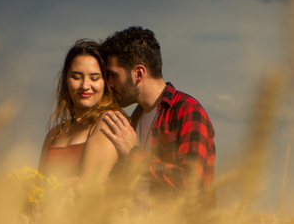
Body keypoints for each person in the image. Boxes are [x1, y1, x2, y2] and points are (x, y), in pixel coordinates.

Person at [99, 26, 216, 206]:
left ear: (138, 73)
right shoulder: (132, 121)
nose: (109, 83)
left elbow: (191, 181)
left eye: (113, 75)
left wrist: (133, 155)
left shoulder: (186, 110)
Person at [38, 39, 122, 184]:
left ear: (106, 82)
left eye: (94, 78)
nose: (85, 86)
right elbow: (37, 183)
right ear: (65, 79)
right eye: (76, 77)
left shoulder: (108, 122)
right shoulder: (54, 134)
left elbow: (89, 185)